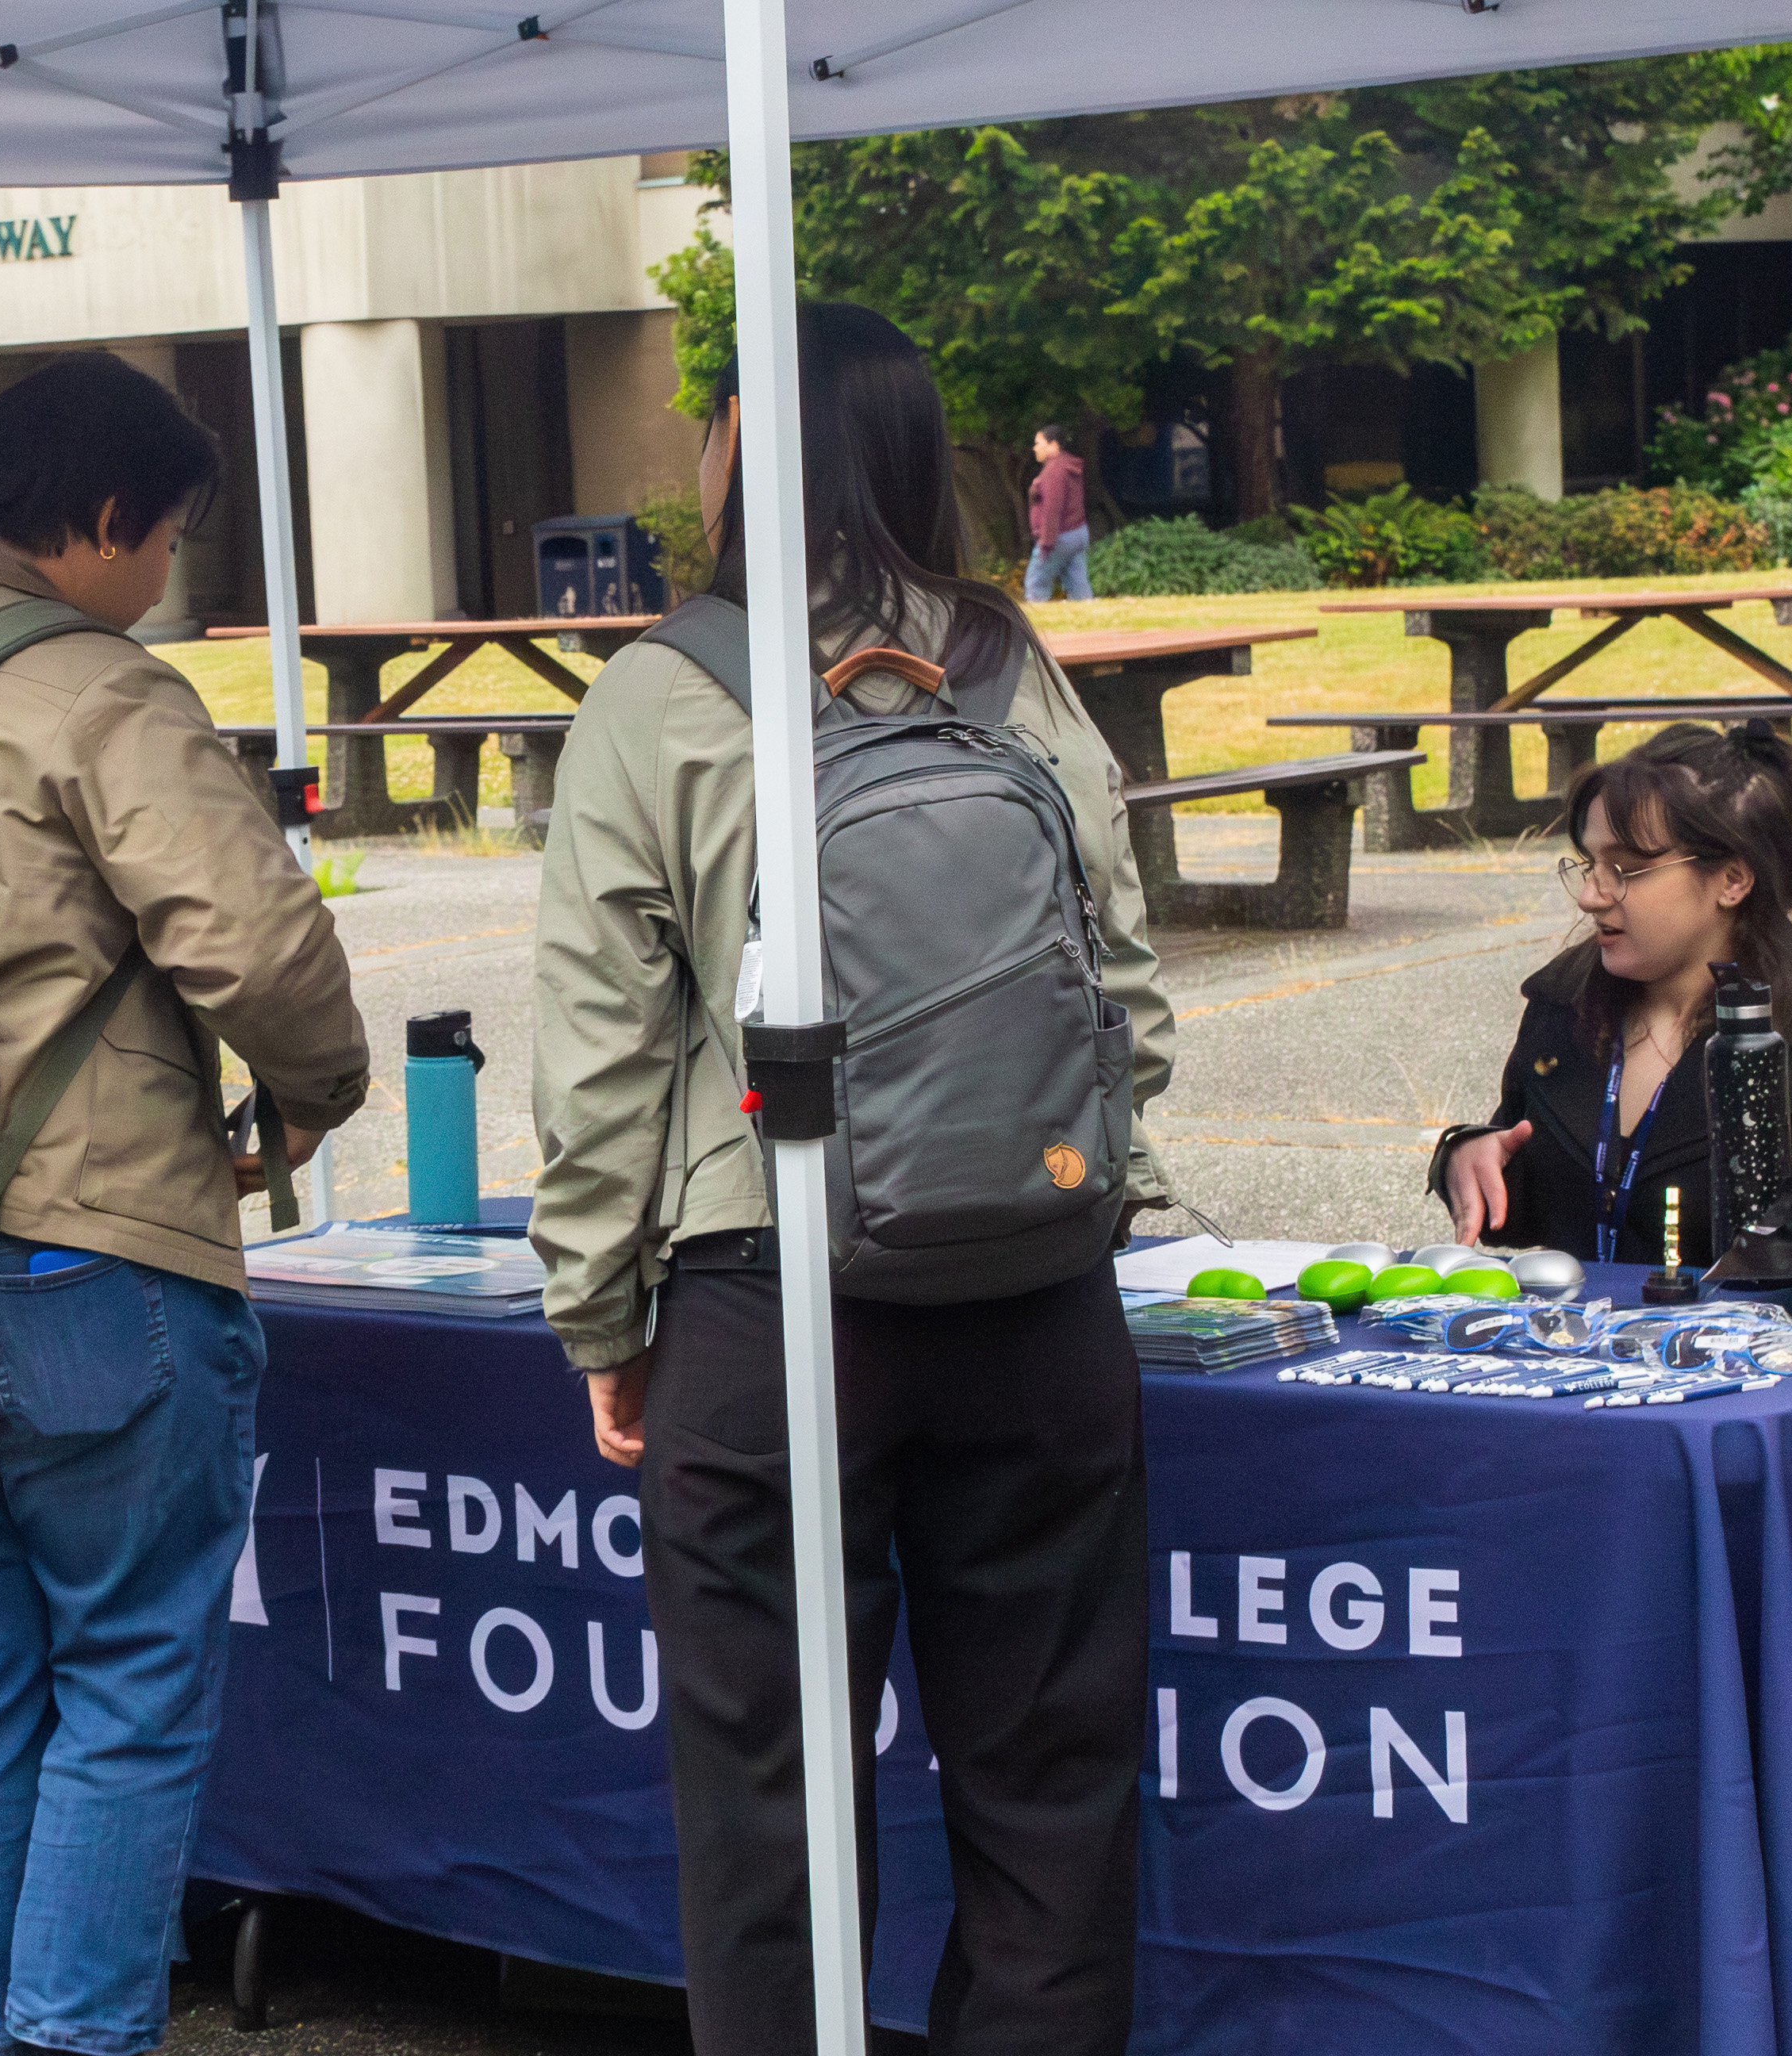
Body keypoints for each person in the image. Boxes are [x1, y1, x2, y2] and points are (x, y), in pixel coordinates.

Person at [534, 304, 1176, 2054]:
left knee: (767, 1806)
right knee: (1052, 1786)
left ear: (747, 438)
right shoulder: (1013, 666)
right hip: (1037, 1295)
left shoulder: (665, 693)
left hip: (767, 1300)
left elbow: (598, 1056)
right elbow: (1121, 983)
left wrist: (602, 1314)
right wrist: (1085, 1190)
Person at [0, 353, 369, 2056]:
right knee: (125, 1692)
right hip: (78, 1254)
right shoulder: (98, 688)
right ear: (102, 521)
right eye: (165, 540)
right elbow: (257, 951)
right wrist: (309, 1103)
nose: (166, 579)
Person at [1430, 722, 1792, 1263]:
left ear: (1732, 880)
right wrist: (1467, 1154)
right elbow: (1543, 1199)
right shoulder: (1562, 1004)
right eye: (1589, 865)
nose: (1590, 896)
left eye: (1626, 869)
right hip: (1568, 1342)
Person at [1023, 422, 1092, 604]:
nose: (1035, 448)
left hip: (1060, 536)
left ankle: (1037, 624)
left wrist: (1046, 543)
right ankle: (1090, 621)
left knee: (1035, 583)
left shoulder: (1055, 471)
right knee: (1079, 588)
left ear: (1053, 445)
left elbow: (1053, 508)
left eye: (1039, 443)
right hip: (1078, 533)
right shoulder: (1066, 465)